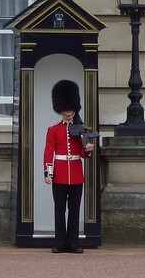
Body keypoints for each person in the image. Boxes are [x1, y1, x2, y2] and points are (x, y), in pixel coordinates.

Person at [43, 79, 95, 254]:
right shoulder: (53, 129)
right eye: (65, 109)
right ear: (60, 109)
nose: (68, 112)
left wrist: (88, 150)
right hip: (59, 174)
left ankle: (73, 243)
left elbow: (82, 154)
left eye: (71, 109)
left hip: (76, 174)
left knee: (74, 211)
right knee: (59, 210)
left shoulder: (81, 129)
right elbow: (48, 153)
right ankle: (60, 243)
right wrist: (48, 173)